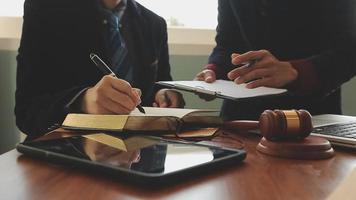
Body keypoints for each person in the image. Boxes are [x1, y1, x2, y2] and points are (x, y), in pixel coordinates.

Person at [15, 0, 184, 139]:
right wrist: (83, 101)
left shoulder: (155, 24)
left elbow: (160, 84)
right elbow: (26, 111)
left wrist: (163, 94)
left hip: (139, 159)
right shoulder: (45, 8)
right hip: (68, 160)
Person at [195, 0, 356, 120]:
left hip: (310, 122)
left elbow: (349, 51)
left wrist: (296, 72)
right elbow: (228, 43)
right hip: (238, 122)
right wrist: (213, 70)